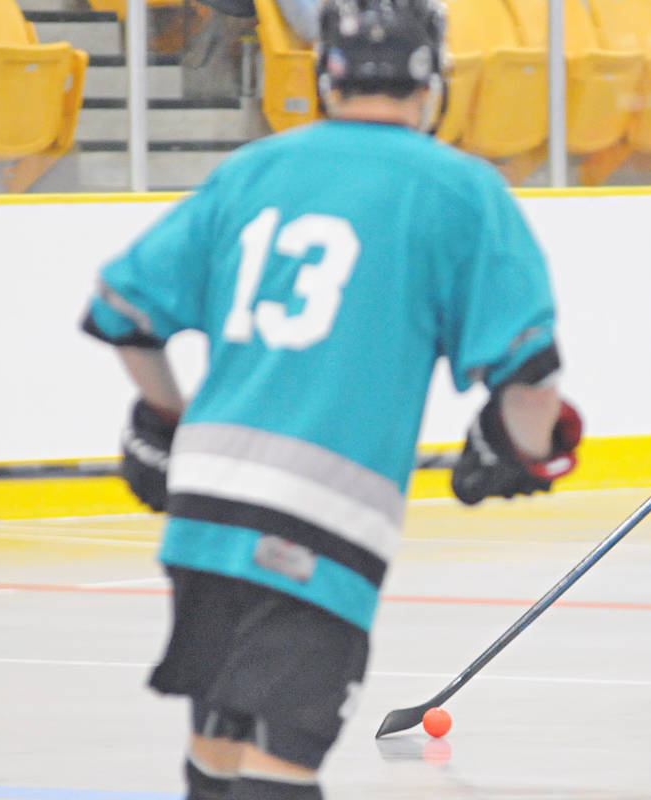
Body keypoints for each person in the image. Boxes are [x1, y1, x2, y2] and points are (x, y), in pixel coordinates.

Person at [78, 1, 582, 798]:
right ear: (430, 80)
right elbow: (531, 377)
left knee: (219, 741)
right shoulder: (459, 188)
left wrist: (165, 419)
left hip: (204, 509)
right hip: (319, 524)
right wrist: (515, 452)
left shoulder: (254, 167)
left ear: (326, 74)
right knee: (284, 763)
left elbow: (120, 311)